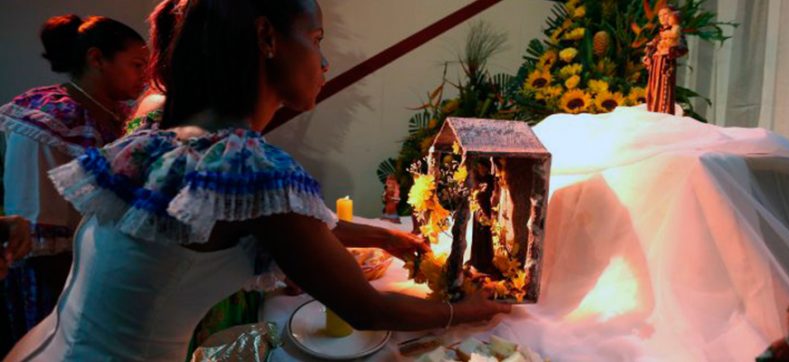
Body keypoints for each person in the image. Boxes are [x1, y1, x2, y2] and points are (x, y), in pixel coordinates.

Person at [6, 0, 510, 360]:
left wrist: (385, 236)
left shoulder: (157, 133)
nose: (324, 62)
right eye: (315, 41)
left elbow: (294, 226)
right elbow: (365, 308)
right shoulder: (249, 166)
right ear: (268, 38)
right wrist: (463, 311)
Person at [0, 14, 148, 355]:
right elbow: (38, 229)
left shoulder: (122, 114)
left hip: (101, 264)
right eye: (137, 65)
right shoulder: (47, 121)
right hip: (58, 273)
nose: (145, 76)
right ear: (97, 59)